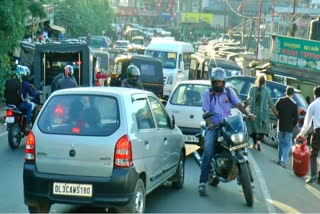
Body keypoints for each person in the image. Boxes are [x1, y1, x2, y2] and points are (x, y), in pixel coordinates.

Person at [198, 67, 255, 196]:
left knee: (241, 147)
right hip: (214, 127)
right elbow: (205, 111)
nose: (218, 84)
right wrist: (210, 123)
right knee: (208, 150)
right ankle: (202, 182)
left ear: (223, 82)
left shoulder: (229, 92)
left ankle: (247, 179)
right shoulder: (208, 94)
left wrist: (248, 113)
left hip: (227, 125)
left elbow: (239, 105)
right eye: (216, 82)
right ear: (212, 82)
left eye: (220, 82)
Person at [246, 74, 277, 152]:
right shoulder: (267, 91)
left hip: (253, 112)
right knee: (263, 130)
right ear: (265, 82)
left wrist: (243, 106)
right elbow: (270, 103)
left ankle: (254, 144)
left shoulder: (252, 88)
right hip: (263, 114)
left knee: (253, 129)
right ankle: (259, 141)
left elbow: (249, 100)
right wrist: (276, 112)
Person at [296, 85, 320, 184]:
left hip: (318, 132)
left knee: (313, 154)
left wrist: (301, 134)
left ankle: (314, 176)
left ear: (314, 95)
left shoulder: (313, 105)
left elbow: (307, 124)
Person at [274, 86, 298, 168]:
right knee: (287, 145)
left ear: (286, 93)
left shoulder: (281, 100)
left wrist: (278, 117)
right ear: (293, 94)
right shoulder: (294, 104)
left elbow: (274, 109)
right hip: (289, 128)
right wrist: (292, 125)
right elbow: (296, 118)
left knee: (280, 143)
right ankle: (283, 161)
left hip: (280, 125)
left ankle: (279, 159)